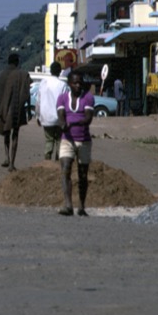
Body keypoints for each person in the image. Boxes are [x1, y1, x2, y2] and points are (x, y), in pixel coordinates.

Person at [56, 70, 95, 217]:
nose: (78, 85)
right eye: (75, 83)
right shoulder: (62, 98)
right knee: (65, 169)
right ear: (69, 84)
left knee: (82, 175)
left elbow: (88, 118)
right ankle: (68, 205)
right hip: (67, 140)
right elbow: (60, 116)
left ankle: (82, 206)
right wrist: (62, 124)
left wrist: (71, 123)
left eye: (80, 82)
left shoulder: (88, 98)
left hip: (83, 141)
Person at [0, 53, 31, 172]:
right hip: (17, 108)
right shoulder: (23, 74)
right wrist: (28, 109)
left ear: (8, 62)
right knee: (15, 135)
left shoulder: (2, 74)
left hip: (3, 109)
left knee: (6, 132)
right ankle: (12, 163)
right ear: (17, 62)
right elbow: (26, 93)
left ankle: (6, 157)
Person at [36, 61, 67, 161]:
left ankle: (47, 162)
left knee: (49, 140)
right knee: (59, 140)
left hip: (46, 117)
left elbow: (38, 101)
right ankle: (58, 162)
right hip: (59, 117)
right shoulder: (62, 85)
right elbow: (66, 103)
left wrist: (38, 116)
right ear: (60, 72)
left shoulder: (43, 83)